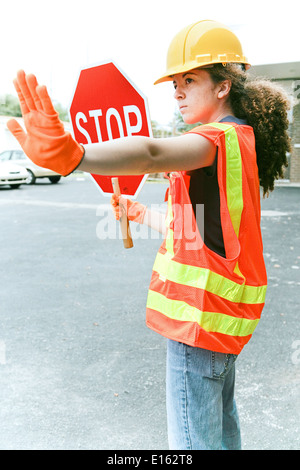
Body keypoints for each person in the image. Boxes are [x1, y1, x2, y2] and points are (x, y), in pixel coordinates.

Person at [7, 20, 291, 450]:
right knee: (223, 429)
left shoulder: (212, 139)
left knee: (195, 442)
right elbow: (198, 231)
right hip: (223, 324)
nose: (177, 91)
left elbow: (152, 151)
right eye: (174, 82)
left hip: (196, 324)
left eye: (190, 80)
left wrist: (76, 156)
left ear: (223, 86)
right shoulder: (241, 141)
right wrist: (140, 212)